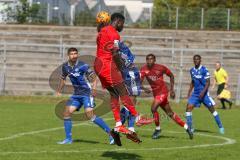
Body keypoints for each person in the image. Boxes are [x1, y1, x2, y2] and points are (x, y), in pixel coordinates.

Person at [94, 12, 153, 141]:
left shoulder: (101, 31)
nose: (123, 26)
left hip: (98, 66)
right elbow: (115, 52)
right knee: (123, 92)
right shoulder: (114, 33)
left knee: (114, 95)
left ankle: (119, 124)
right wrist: (120, 69)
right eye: (123, 24)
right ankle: (137, 117)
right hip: (107, 66)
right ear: (118, 21)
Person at [56, 47, 114, 144]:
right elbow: (63, 78)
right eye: (72, 54)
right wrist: (59, 90)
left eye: (75, 53)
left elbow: (94, 79)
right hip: (77, 94)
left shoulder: (83, 66)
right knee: (66, 113)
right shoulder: (65, 67)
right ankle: (68, 139)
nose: (74, 55)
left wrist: (94, 90)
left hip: (87, 93)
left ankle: (111, 134)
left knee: (89, 115)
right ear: (68, 55)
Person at [140, 54, 193, 139]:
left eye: (151, 59)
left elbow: (171, 75)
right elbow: (139, 82)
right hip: (156, 94)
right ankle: (186, 127)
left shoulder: (161, 68)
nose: (149, 61)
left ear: (154, 60)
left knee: (153, 109)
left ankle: (158, 129)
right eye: (148, 59)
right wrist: (144, 88)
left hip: (163, 92)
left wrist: (172, 90)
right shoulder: (143, 69)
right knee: (170, 113)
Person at [186, 55, 224, 134]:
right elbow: (193, 81)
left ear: (200, 60)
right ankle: (190, 128)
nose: (196, 61)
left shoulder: (204, 70)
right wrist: (189, 91)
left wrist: (203, 92)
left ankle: (221, 127)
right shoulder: (192, 70)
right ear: (193, 61)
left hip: (204, 94)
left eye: (197, 59)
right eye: (195, 59)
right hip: (196, 94)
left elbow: (208, 82)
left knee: (212, 110)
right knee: (188, 108)